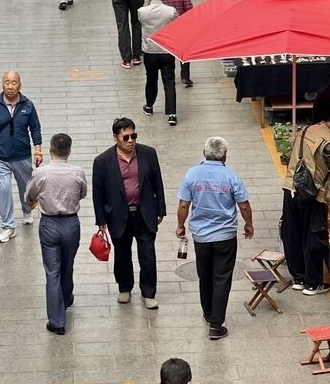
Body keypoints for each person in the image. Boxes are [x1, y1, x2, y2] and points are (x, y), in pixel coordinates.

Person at [176, 137, 254, 340]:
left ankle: (208, 313)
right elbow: (243, 205)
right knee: (222, 277)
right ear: (224, 156)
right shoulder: (231, 176)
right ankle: (216, 325)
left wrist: (180, 225)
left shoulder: (192, 174)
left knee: (204, 274)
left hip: (201, 237)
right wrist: (248, 224)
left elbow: (184, 205)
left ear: (204, 152)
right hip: (225, 236)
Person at [92, 117, 166, 309]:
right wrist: (101, 219)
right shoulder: (102, 161)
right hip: (118, 215)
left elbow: (158, 182)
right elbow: (98, 193)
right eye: (126, 137)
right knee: (122, 254)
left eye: (134, 136)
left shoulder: (148, 154)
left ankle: (148, 293)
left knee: (147, 254)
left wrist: (161, 209)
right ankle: (124, 287)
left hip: (144, 213)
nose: (131, 140)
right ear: (115, 137)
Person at [281, 117, 330, 294]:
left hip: (292, 187)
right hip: (313, 193)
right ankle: (312, 283)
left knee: (294, 233)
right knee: (314, 236)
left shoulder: (306, 130)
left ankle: (298, 278)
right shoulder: (329, 142)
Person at [24, 133, 87, 335]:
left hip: (49, 224)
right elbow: (83, 193)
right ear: (69, 151)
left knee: (53, 272)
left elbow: (29, 196)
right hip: (71, 224)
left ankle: (57, 321)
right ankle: (66, 297)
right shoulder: (78, 172)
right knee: (68, 265)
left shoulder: (41, 173)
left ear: (51, 150)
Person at [0, 71, 43, 243]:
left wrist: (38, 151)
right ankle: (8, 226)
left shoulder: (28, 105)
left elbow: (35, 128)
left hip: (22, 156)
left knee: (25, 188)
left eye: (14, 82)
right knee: (4, 191)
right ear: (2, 84)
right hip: (1, 157)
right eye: (7, 82)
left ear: (20, 85)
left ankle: (27, 210)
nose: (10, 86)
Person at [139, 0, 178, 125]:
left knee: (151, 79)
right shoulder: (170, 11)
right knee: (169, 81)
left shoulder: (142, 11)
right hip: (166, 50)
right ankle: (172, 114)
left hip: (150, 51)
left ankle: (149, 106)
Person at [161, 0, 194, 86]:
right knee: (183, 50)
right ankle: (185, 77)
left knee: (168, 51)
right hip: (181, 24)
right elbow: (188, 7)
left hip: (165, 24)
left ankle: (170, 76)